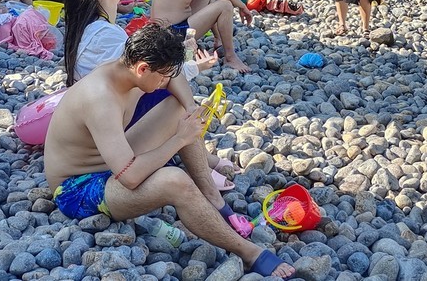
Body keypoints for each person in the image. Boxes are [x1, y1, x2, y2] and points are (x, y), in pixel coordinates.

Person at [43, 22, 295, 278]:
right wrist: (179, 139)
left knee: (180, 113)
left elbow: (176, 82)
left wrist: (191, 111)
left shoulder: (128, 70)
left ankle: (213, 201)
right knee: (175, 181)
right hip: (77, 188)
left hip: (108, 160)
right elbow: (129, 177)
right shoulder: (101, 98)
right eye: (162, 76)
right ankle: (249, 253)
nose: (166, 81)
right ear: (142, 68)